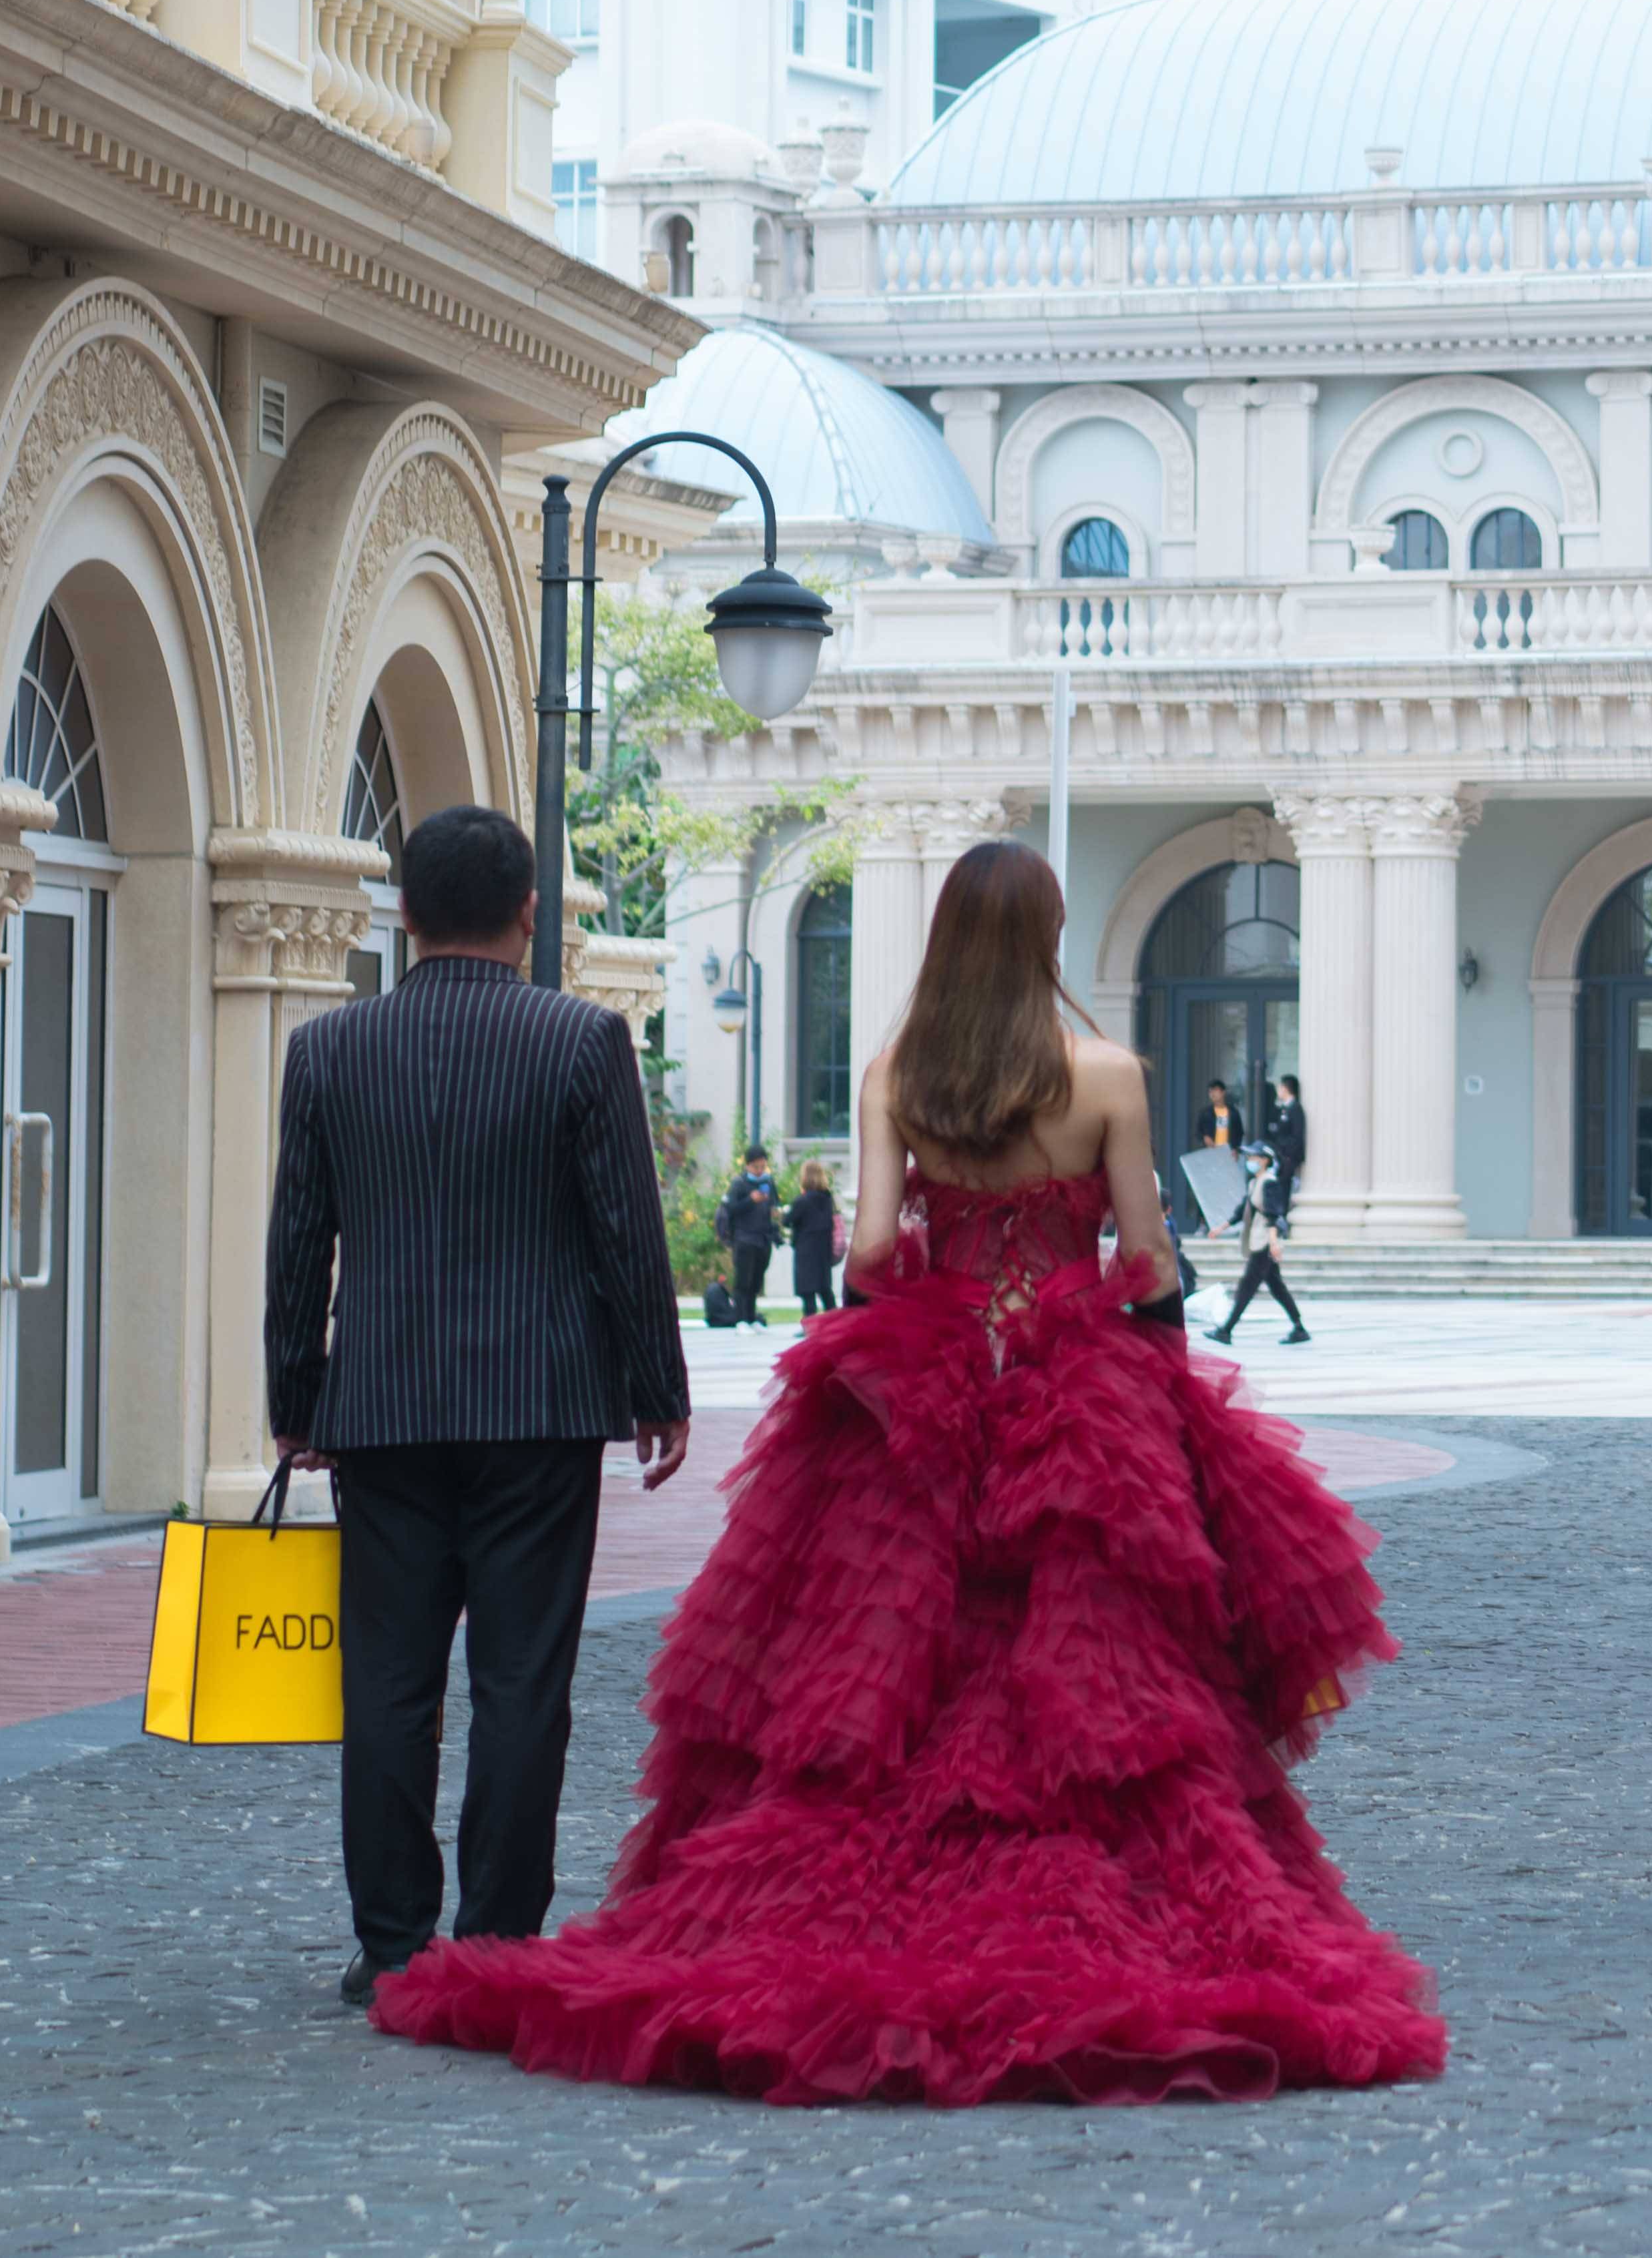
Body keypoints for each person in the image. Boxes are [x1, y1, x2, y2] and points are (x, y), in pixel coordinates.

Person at [372, 839, 1444, 2104]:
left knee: (871, 1660)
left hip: (926, 1392)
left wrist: (951, 1274)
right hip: (1080, 1399)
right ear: (1046, 938)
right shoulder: (1108, 1074)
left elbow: (875, 1250)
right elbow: (1149, 1258)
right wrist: (1069, 1277)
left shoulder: (896, 1074)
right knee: (1107, 1665)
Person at [262, 803, 692, 2014]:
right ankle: (497, 1935)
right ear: (527, 912)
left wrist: (296, 1396)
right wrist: (656, 1386)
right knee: (521, 1678)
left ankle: (392, 1941)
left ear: (400, 913)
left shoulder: (330, 1052)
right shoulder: (580, 1040)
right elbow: (626, 1229)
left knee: (387, 1681)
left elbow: (301, 1242)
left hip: (383, 1406)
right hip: (538, 1405)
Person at [1210, 1162, 1310, 1348]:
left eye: (1254, 1156)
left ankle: (1226, 1330)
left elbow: (1273, 1215)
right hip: (1259, 1240)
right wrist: (1221, 1228)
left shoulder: (1269, 1183)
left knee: (1247, 1286)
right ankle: (1299, 1327)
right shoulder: (1255, 1183)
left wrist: (1273, 1243)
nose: (1251, 1160)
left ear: (1264, 1160)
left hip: (1264, 1243)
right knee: (1277, 1287)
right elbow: (1243, 1211)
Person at [714, 1161, 780, 1330]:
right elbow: (731, 1209)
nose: (760, 1171)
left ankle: (751, 1318)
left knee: (756, 1281)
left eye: (763, 1167)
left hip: (763, 1238)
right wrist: (751, 1200)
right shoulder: (739, 1184)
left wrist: (775, 1211)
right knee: (743, 1280)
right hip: (744, 1238)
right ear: (748, 1166)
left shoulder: (769, 1182)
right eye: (756, 1167)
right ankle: (740, 1319)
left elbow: (775, 1204)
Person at [783, 1158, 844, 1320]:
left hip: (806, 1250)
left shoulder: (802, 1201)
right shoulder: (827, 1200)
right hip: (823, 1249)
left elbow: (787, 1221)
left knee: (807, 1290)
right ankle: (835, 1322)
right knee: (825, 1288)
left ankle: (810, 1322)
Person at [1265, 1072, 1309, 1226]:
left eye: (1281, 1087)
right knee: (1278, 1189)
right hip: (1281, 1156)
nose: (1279, 1090)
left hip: (1289, 1158)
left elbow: (1296, 1136)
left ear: (1286, 1089)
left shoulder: (1295, 1109)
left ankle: (1282, 1221)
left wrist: (1287, 1155)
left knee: (1285, 1189)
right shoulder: (1283, 1109)